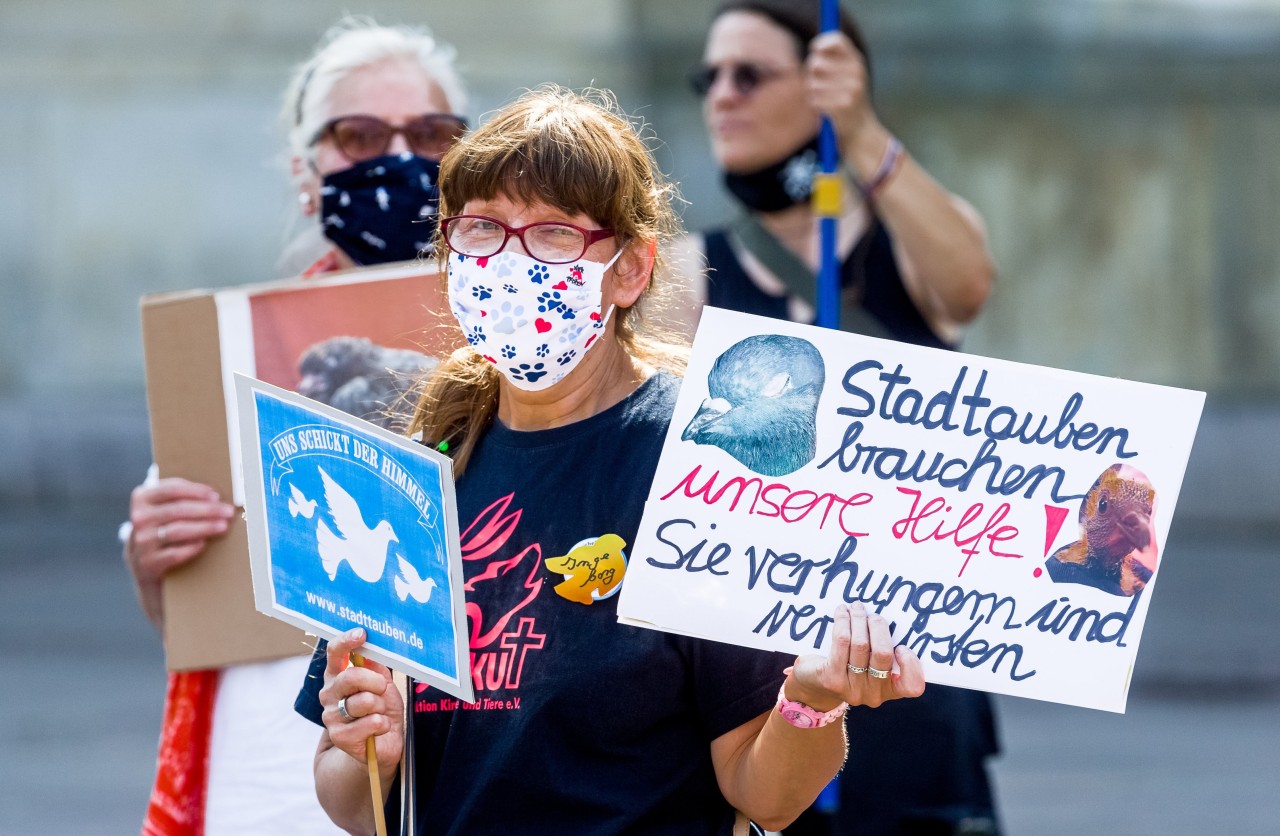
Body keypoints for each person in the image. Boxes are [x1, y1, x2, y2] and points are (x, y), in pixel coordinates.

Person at [293, 85, 927, 835]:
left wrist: (813, 701)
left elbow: (767, 795)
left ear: (630, 271)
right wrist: (371, 750)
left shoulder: (699, 470)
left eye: (555, 235)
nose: (508, 261)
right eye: (482, 229)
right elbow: (354, 805)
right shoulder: (412, 475)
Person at [123, 17, 468, 835]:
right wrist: (155, 562)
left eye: (429, 133)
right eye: (357, 134)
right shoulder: (225, 352)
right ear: (305, 173)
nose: (396, 156)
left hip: (461, 747)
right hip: (271, 769)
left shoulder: (531, 346)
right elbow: (201, 611)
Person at [673, 2, 1002, 834]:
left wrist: (858, 132)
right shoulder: (685, 271)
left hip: (917, 685)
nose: (723, 95)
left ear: (826, 82)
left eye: (750, 74)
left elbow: (967, 285)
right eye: (709, 76)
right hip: (765, 696)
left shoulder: (910, 240)